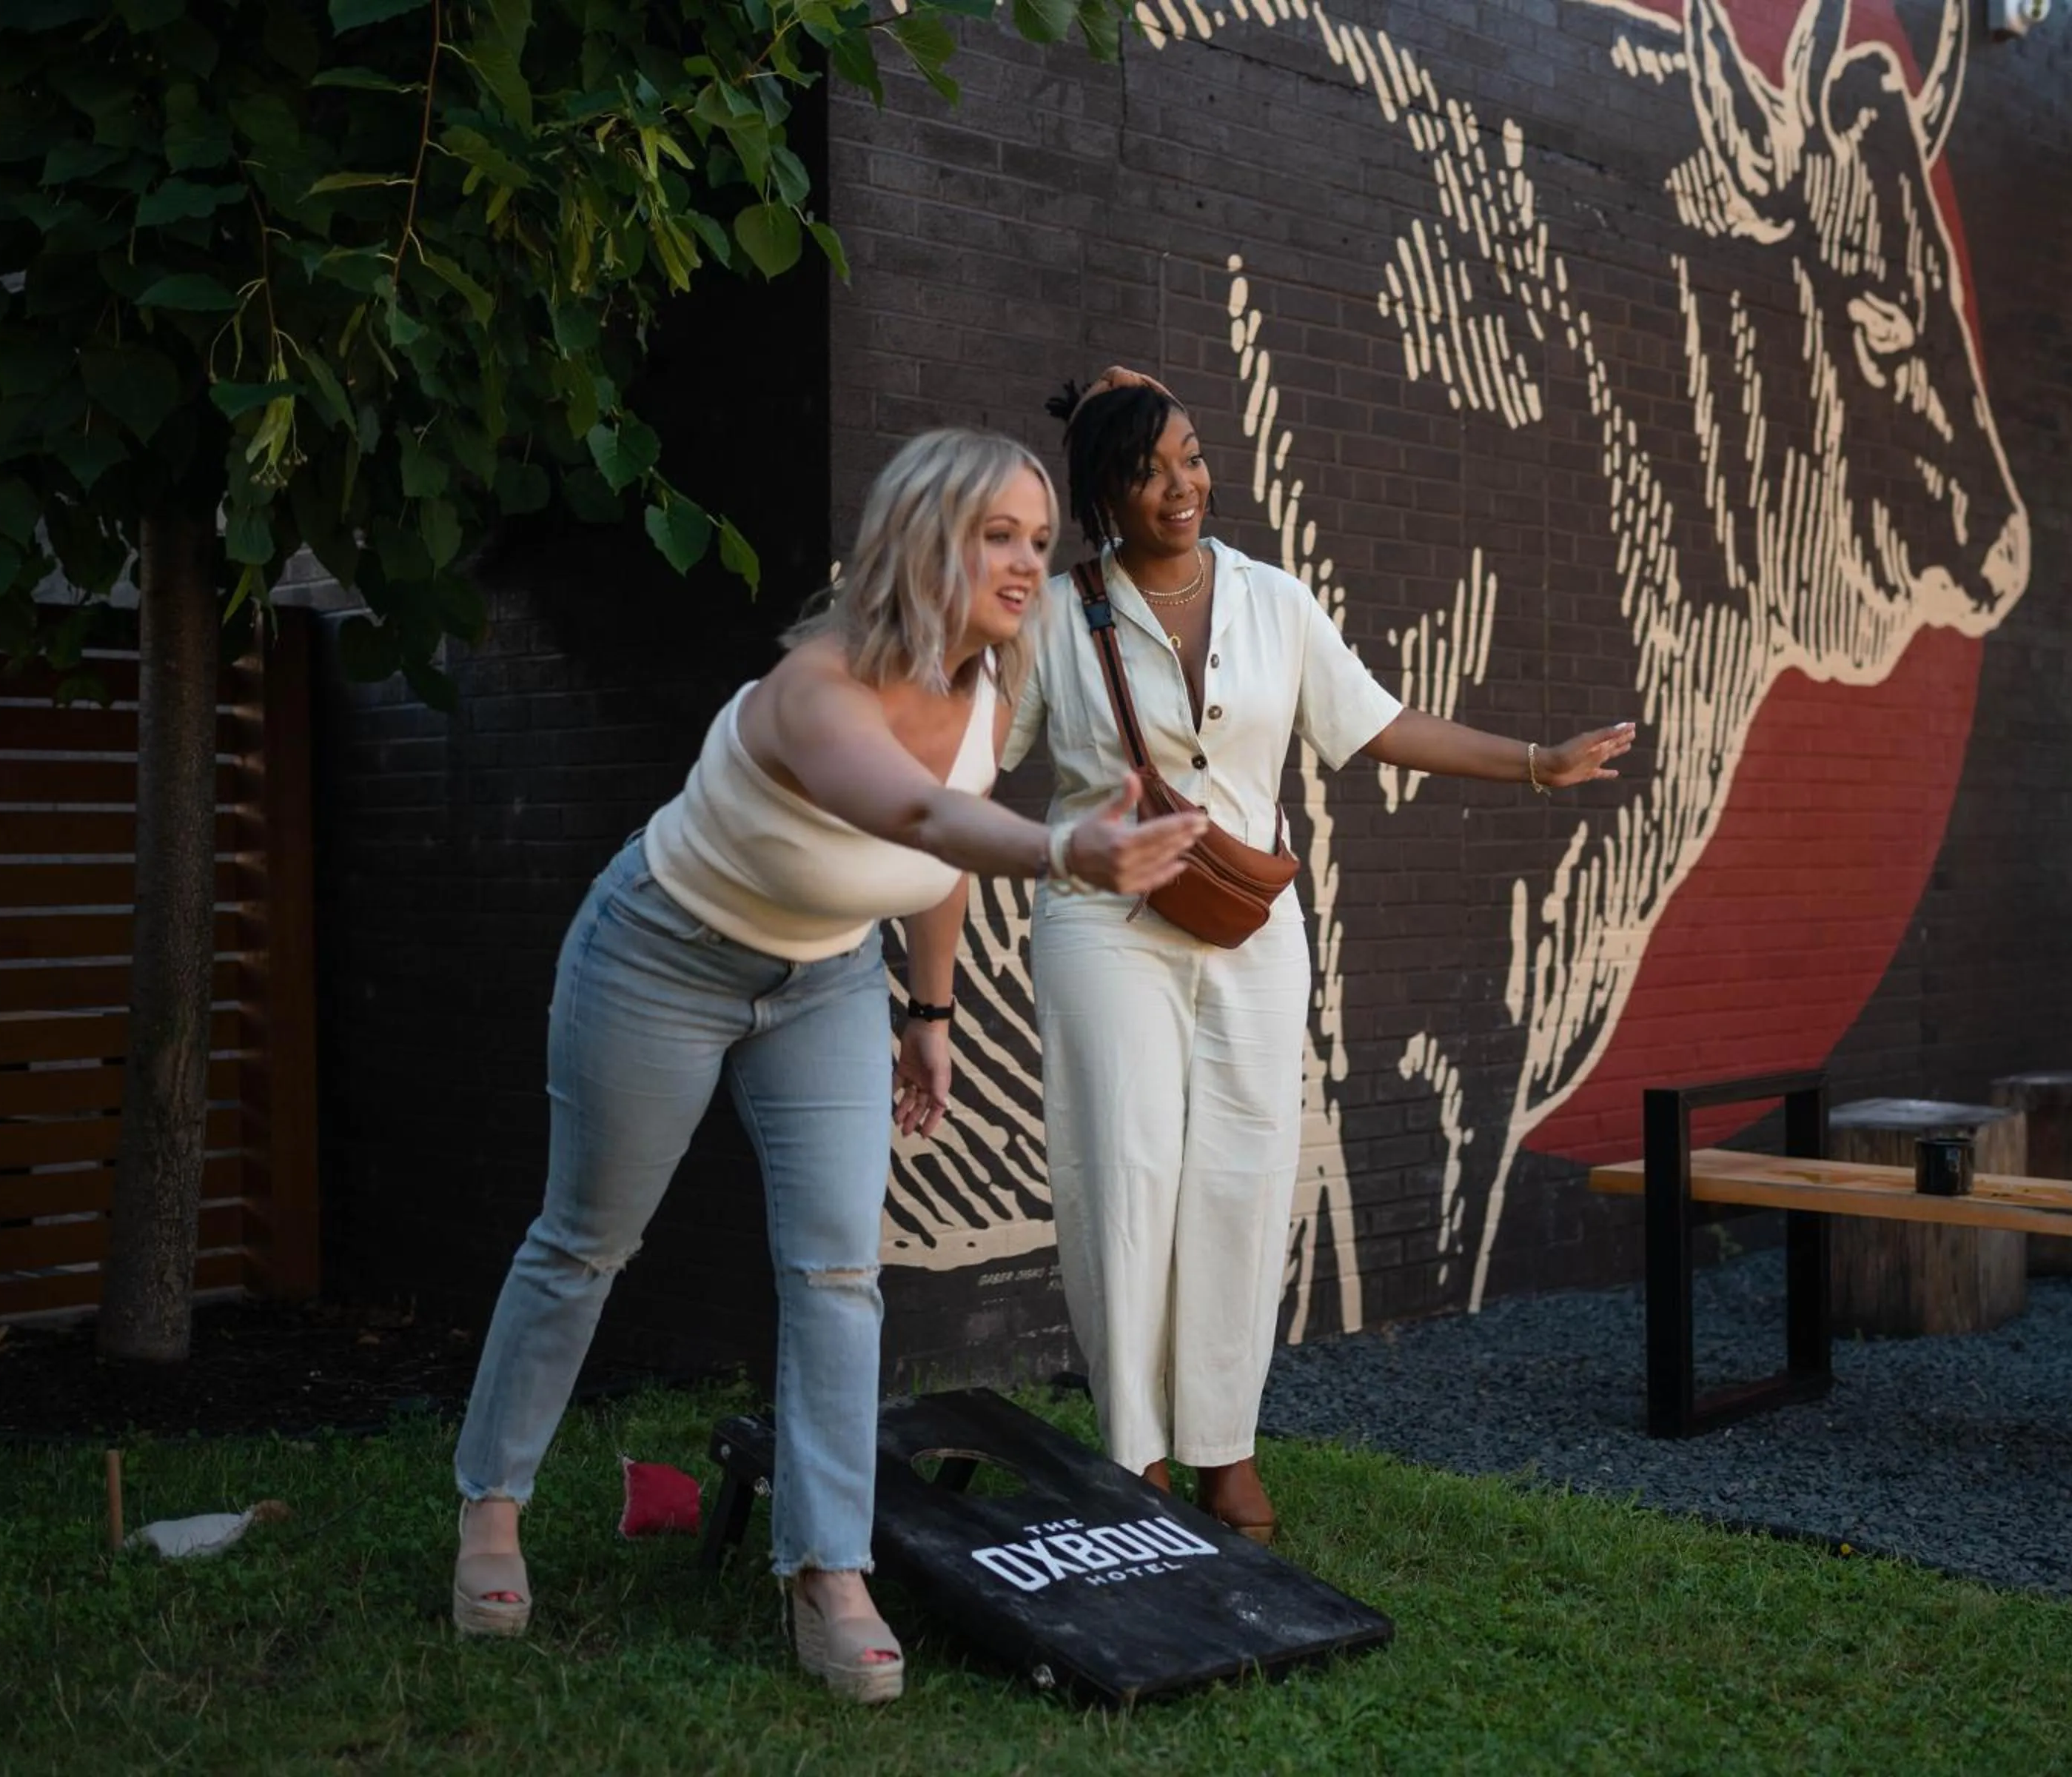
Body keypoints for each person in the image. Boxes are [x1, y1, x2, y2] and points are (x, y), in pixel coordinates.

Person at [449, 427, 1207, 1704]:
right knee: (586, 1242)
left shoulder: (987, 690)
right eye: (996, 536)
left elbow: (942, 857)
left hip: (829, 985)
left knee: (841, 1272)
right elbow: (911, 812)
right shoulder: (815, 683)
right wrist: (1069, 851)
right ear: (926, 536)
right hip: (660, 956)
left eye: (1036, 536)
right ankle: (490, 1507)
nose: (1027, 561)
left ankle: (827, 1568)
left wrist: (930, 1010)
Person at [1005, 368, 1635, 1542]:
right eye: (1148, 473)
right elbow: (972, 764)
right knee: (1125, 1175)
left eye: (1190, 456)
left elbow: (1379, 723)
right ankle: (1134, 1456)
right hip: (1106, 927)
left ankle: (1221, 1447)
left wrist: (1541, 763)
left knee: (1243, 1177)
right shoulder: (1053, 617)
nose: (1181, 486)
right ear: (1103, 496)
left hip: (1249, 925)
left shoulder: (1268, 599)